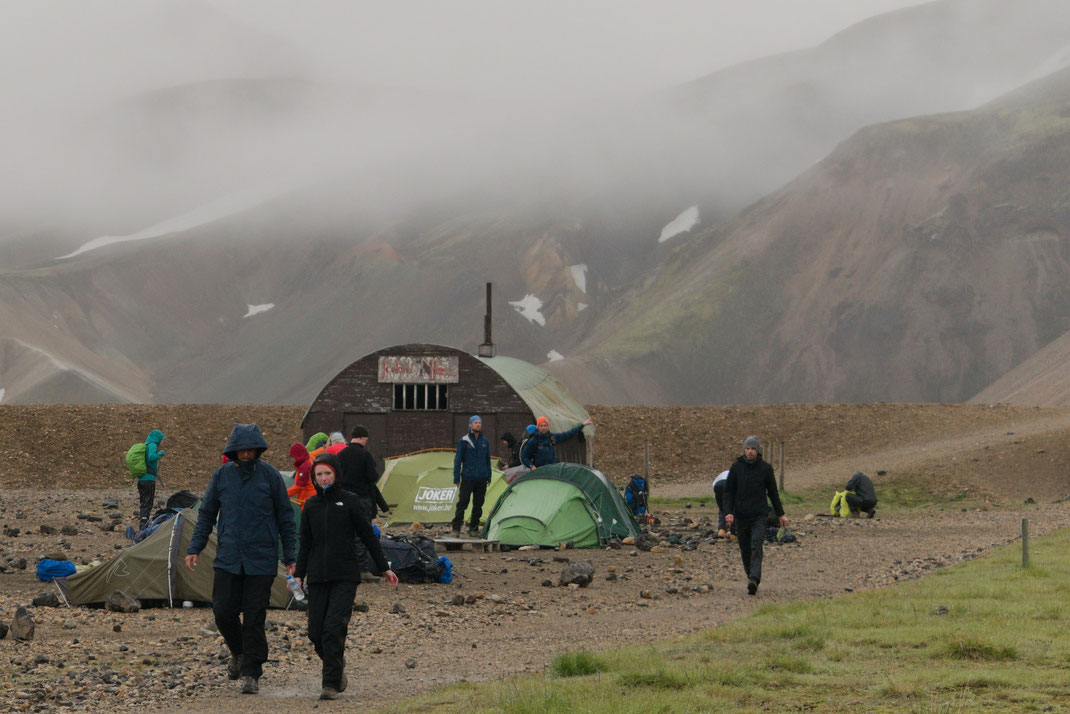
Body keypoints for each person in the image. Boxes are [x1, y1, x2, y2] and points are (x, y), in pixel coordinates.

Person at [184, 423, 297, 695]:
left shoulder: (270, 477)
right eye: (241, 450)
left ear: (258, 449)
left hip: (262, 558)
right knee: (223, 612)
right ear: (233, 451)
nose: (246, 454)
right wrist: (194, 547)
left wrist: (291, 556)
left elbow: (286, 518)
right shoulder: (221, 476)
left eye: (250, 449)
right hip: (228, 558)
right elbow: (207, 514)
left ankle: (252, 672)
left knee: (255, 616)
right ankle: (239, 652)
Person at [294, 452, 399, 700]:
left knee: (333, 628)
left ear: (336, 474)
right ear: (314, 477)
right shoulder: (310, 505)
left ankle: (330, 683)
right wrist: (299, 575)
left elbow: (367, 536)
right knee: (315, 632)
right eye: (319, 474)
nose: (323, 478)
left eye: (327, 473)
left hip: (345, 576)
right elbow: (305, 544)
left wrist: (384, 567)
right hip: (317, 576)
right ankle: (337, 663)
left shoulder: (350, 502)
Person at [724, 436, 787, 596]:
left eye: (752, 448)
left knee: (756, 546)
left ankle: (754, 578)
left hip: (759, 515)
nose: (749, 451)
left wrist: (781, 514)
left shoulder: (765, 469)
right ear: (744, 450)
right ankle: (750, 576)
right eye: (747, 448)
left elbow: (773, 493)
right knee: (745, 549)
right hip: (741, 515)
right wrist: (728, 512)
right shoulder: (736, 467)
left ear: (758, 450)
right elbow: (729, 492)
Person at [338, 425, 388, 520]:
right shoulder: (365, 455)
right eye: (366, 439)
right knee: (364, 529)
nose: (365, 442)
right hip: (362, 498)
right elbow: (372, 477)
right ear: (361, 437)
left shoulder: (340, 455)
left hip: (344, 497)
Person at [452, 415, 492, 535]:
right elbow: (458, 460)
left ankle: (473, 528)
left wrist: (488, 476)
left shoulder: (485, 441)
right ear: (470, 425)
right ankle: (456, 528)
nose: (478, 425)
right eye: (475, 423)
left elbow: (487, 460)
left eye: (479, 423)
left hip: (481, 478)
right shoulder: (464, 441)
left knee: (478, 504)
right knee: (463, 503)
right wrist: (456, 477)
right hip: (468, 477)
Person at [520, 416, 593, 468]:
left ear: (548, 426)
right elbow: (524, 456)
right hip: (540, 471)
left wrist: (582, 425)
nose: (543, 428)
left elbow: (567, 434)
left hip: (552, 469)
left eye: (545, 425)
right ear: (538, 427)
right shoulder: (534, 440)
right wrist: (531, 466)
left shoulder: (552, 437)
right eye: (541, 425)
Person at [136, 430, 166, 531]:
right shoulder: (152, 445)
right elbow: (151, 457)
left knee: (144, 501)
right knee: (148, 502)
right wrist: (160, 454)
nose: (161, 441)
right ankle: (143, 526)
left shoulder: (146, 445)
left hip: (141, 479)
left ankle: (143, 522)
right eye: (160, 439)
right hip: (148, 479)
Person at [712, 469, 731, 537]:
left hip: (718, 485)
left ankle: (721, 529)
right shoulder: (737, 473)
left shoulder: (723, 473)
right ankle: (732, 531)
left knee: (722, 508)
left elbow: (714, 486)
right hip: (729, 484)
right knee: (733, 509)